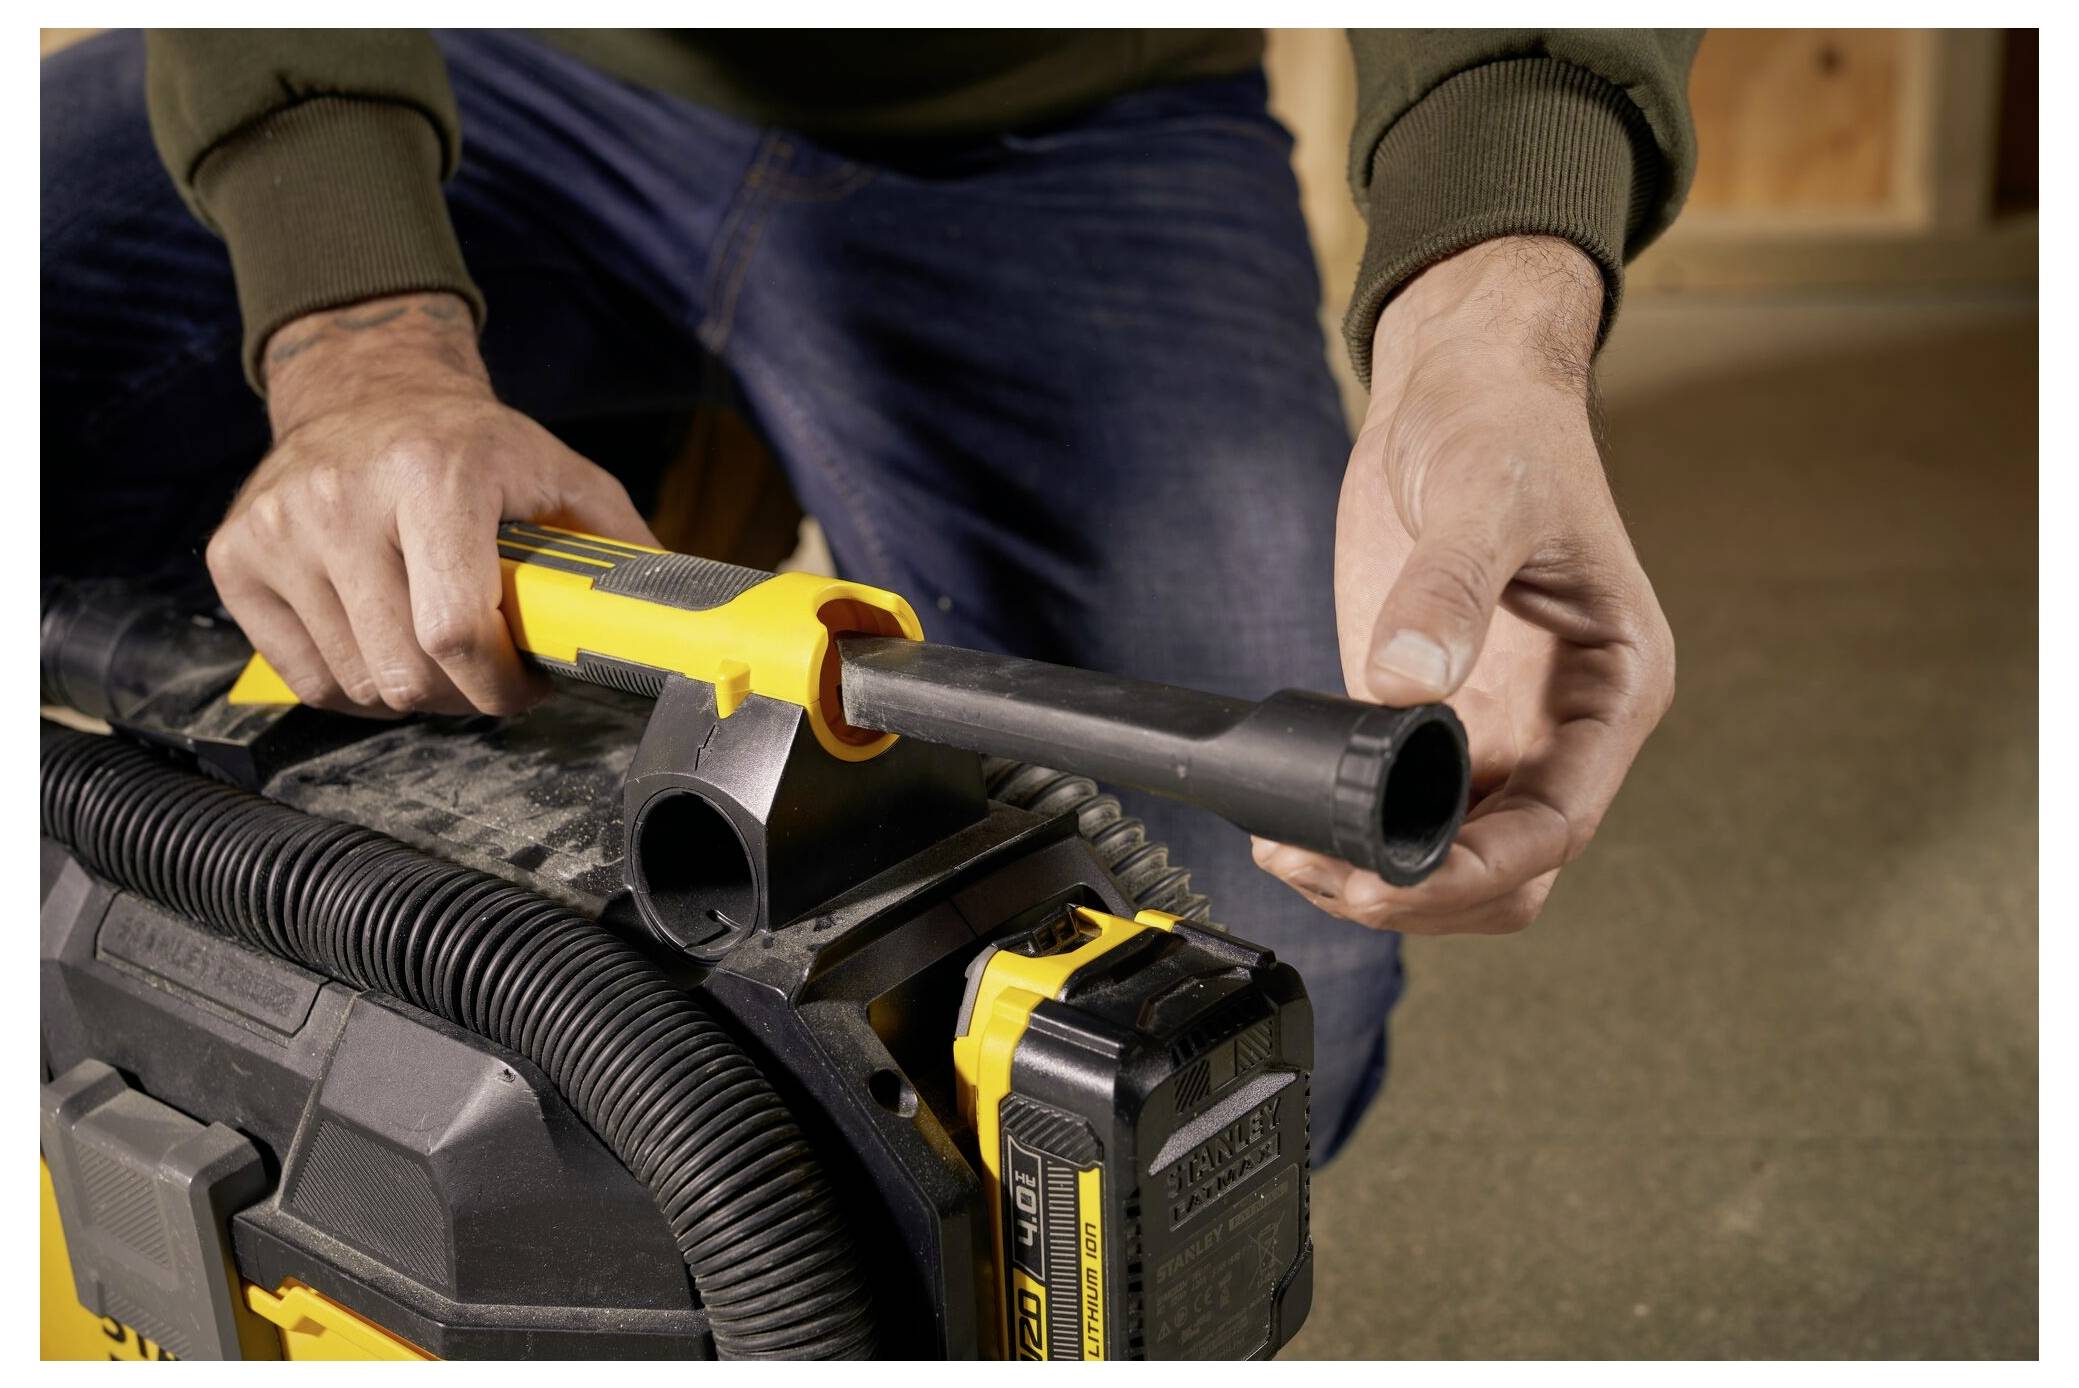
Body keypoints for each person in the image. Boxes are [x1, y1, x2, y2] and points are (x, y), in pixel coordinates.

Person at [41, 28, 1696, 1162]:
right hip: (486, 61)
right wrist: (351, 324)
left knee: (1245, 1010)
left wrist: (1489, 328)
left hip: (1067, 125)